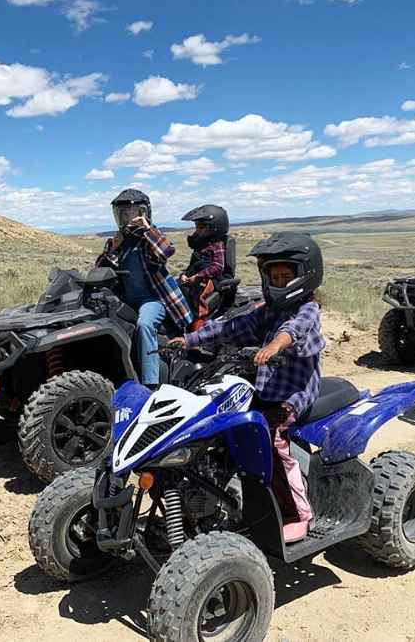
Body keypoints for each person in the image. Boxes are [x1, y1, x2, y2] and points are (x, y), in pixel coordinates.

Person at [171, 231, 325, 543]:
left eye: (286, 276)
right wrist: (186, 340)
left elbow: (291, 331)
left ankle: (298, 513)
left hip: (293, 394)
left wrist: (273, 347)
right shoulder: (267, 310)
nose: (279, 282)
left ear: (305, 276)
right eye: (274, 276)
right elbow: (229, 327)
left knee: (271, 439)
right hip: (264, 390)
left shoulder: (307, 309)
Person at [96, 189, 192, 390]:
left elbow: (166, 251)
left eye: (132, 212)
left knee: (145, 325)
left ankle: (151, 385)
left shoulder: (149, 237)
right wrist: (113, 248)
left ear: (144, 212)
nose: (127, 218)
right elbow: (99, 270)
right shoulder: (120, 241)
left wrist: (148, 230)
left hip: (154, 300)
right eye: (123, 213)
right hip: (127, 300)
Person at [179, 205, 228, 327]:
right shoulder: (201, 245)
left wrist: (198, 276)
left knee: (196, 295)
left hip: (210, 279)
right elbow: (193, 265)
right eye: (197, 226)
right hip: (196, 277)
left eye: (201, 227)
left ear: (214, 228)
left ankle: (197, 325)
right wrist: (185, 275)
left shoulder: (217, 244)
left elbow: (218, 266)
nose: (197, 230)